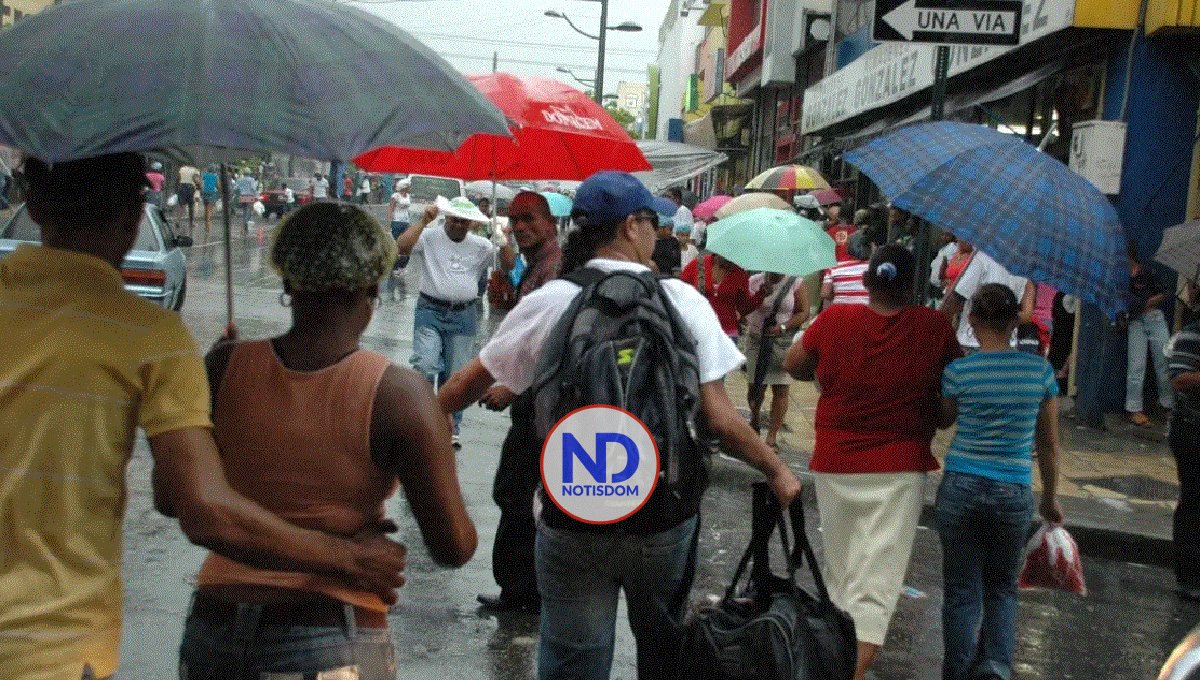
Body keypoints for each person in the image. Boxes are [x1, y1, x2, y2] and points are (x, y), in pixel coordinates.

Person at [0, 153, 407, 680]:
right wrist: (352, 558)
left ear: (32, 203)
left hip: (212, 624)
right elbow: (201, 508)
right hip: (49, 644)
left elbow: (175, 500)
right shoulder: (153, 339)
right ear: (133, 213)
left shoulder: (212, 361)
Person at [438, 171, 801, 680]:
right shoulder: (683, 303)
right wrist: (777, 469)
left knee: (572, 657)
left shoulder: (550, 301)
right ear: (633, 226)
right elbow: (718, 418)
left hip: (571, 512)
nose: (656, 233)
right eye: (651, 221)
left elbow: (458, 392)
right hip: (662, 516)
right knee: (662, 650)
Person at [178, 203, 476, 680]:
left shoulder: (223, 367)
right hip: (337, 632)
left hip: (214, 622)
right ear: (372, 288)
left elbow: (175, 500)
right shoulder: (399, 395)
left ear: (288, 283)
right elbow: (454, 546)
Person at [783, 245, 960, 680]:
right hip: (899, 468)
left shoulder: (837, 319)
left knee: (841, 577)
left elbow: (796, 365)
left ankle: (832, 664)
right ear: (912, 284)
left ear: (866, 283)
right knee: (875, 587)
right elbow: (948, 407)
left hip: (835, 462)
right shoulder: (934, 328)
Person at [935, 283, 1064, 680]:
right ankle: (995, 668)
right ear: (1014, 322)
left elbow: (944, 420)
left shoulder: (959, 370)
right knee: (1003, 588)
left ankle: (957, 672)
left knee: (961, 591)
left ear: (972, 319)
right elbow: (1049, 444)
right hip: (1013, 490)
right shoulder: (1039, 371)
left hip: (960, 486)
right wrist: (1051, 499)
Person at [476, 190, 563, 615]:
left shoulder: (556, 271)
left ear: (549, 223)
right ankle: (523, 588)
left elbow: (548, 344)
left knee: (516, 494)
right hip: (535, 408)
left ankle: (522, 591)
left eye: (528, 219)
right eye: (514, 220)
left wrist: (513, 385)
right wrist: (505, 298)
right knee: (517, 493)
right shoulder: (533, 271)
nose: (520, 227)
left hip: (540, 406)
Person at [395, 196, 496, 447]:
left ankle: (451, 426)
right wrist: (423, 221)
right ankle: (424, 420)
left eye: (464, 221)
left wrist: (502, 239)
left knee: (455, 376)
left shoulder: (482, 246)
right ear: (446, 218)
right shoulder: (430, 237)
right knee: (426, 365)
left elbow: (507, 264)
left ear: (471, 223)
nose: (458, 225)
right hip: (430, 310)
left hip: (463, 315)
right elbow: (402, 247)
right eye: (454, 219)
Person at [745, 272, 809, 449]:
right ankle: (755, 419)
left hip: (781, 342)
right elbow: (744, 306)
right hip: (757, 340)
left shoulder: (796, 282)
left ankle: (772, 436)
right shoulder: (754, 281)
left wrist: (783, 326)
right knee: (755, 387)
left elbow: (804, 312)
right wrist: (760, 296)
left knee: (781, 389)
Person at [1167, 280, 1200, 602]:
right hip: (1192, 431)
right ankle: (1189, 576)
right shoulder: (1192, 334)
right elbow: (1179, 378)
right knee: (1193, 500)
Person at [939, 247, 1027, 354]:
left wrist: (938, 337)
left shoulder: (982, 258)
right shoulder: (1022, 265)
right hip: (1008, 344)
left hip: (973, 343)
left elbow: (953, 301)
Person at [1125, 242, 1175, 426]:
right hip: (1135, 321)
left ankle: (1168, 405)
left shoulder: (1146, 273)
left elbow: (1166, 291)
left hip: (1153, 317)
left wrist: (1148, 302)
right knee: (1136, 365)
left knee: (1163, 362)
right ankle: (1134, 408)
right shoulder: (1123, 278)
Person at [680, 252, 771, 339]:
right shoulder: (699, 264)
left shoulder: (739, 273)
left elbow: (744, 307)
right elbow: (680, 291)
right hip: (697, 330)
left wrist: (761, 293)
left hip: (727, 334)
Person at [382, 179, 413, 300]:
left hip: (405, 222)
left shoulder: (408, 196)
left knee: (406, 245)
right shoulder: (395, 195)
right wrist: (389, 223)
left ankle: (401, 266)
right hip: (396, 222)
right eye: (408, 186)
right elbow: (390, 208)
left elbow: (408, 210)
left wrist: (409, 223)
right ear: (404, 187)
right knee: (397, 245)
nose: (410, 188)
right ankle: (394, 267)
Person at [821, 231, 871, 306]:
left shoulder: (833, 267)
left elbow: (824, 293)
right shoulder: (874, 267)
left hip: (840, 311)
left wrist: (839, 297)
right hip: (867, 311)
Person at [176, 165, 198, 230]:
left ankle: (178, 221)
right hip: (190, 187)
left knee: (182, 206)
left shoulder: (181, 168)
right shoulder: (194, 169)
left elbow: (178, 178)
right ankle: (191, 223)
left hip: (182, 187)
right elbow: (196, 179)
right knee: (191, 206)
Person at [201, 166, 219, 236]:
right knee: (209, 210)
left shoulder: (204, 175)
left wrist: (202, 191)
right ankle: (208, 227)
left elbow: (202, 184)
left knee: (205, 209)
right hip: (212, 193)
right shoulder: (215, 176)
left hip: (205, 193)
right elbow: (217, 185)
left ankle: (206, 225)